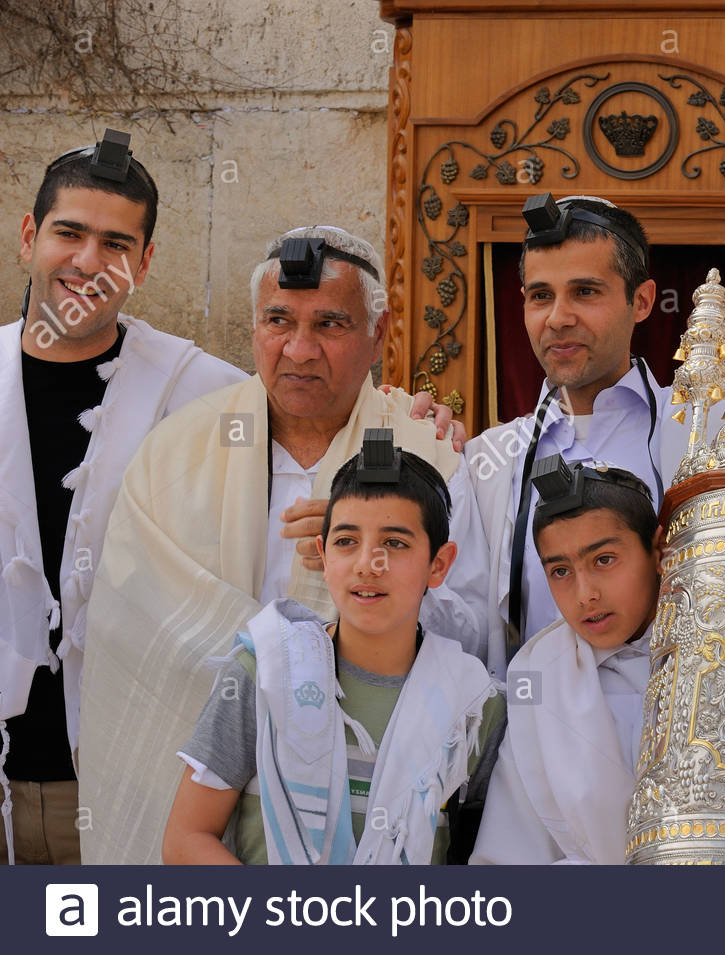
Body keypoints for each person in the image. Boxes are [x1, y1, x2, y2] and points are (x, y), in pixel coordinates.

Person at [78, 226, 462, 864]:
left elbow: (468, 631)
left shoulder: (431, 455)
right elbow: (133, 629)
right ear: (254, 326)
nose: (300, 350)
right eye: (278, 320)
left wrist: (372, 574)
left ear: (379, 333)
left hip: (373, 777)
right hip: (199, 788)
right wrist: (285, 665)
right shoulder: (178, 450)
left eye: (331, 325)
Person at [433, 193, 725, 681]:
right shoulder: (488, 462)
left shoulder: (724, 425)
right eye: (542, 295)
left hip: (700, 744)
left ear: (642, 301)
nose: (558, 317)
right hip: (538, 747)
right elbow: (462, 634)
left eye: (585, 291)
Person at [0, 131, 244, 865]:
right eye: (69, 233)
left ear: (144, 262)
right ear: (27, 236)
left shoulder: (200, 392)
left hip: (126, 787)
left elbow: (319, 425)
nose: (87, 263)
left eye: (115, 244)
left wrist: (425, 425)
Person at [162, 443, 502, 865]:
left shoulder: (473, 706)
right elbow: (187, 838)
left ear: (439, 563)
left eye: (394, 543)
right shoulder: (263, 673)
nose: (366, 564)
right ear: (323, 556)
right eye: (346, 541)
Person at [470, 456, 661, 865]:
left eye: (604, 560)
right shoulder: (539, 675)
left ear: (658, 550)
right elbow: (510, 852)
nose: (584, 594)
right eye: (560, 571)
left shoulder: (724, 642)